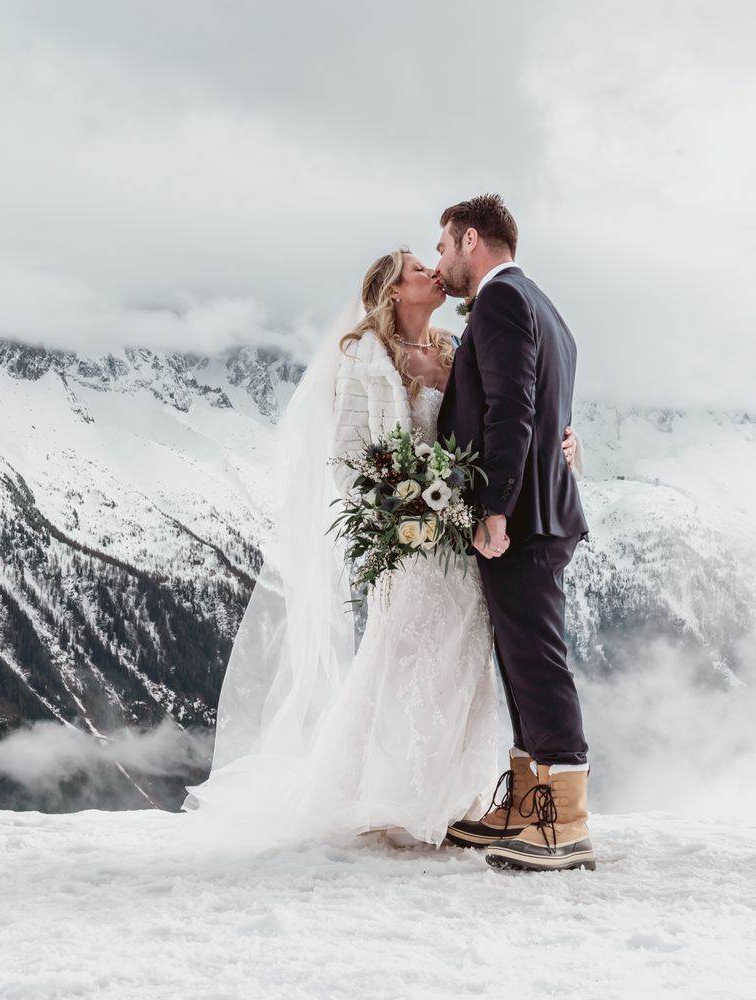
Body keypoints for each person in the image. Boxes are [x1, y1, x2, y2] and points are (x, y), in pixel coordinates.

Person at [184, 239, 583, 860]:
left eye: (435, 257)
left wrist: (562, 443)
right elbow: (349, 461)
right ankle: (396, 797)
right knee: (409, 661)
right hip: (414, 545)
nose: (434, 269)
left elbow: (510, 411)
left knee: (466, 666)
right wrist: (406, 501)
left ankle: (459, 797)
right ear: (394, 289)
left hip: (466, 541)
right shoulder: (365, 359)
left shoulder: (454, 348)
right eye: (419, 267)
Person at [436, 193, 594, 872]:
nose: (441, 259)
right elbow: (544, 405)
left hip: (523, 515)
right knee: (521, 656)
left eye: (444, 244)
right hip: (542, 508)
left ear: (471, 239)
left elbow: (512, 408)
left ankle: (566, 820)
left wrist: (494, 505)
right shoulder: (542, 304)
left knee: (536, 658)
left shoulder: (499, 299)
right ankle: (532, 801)